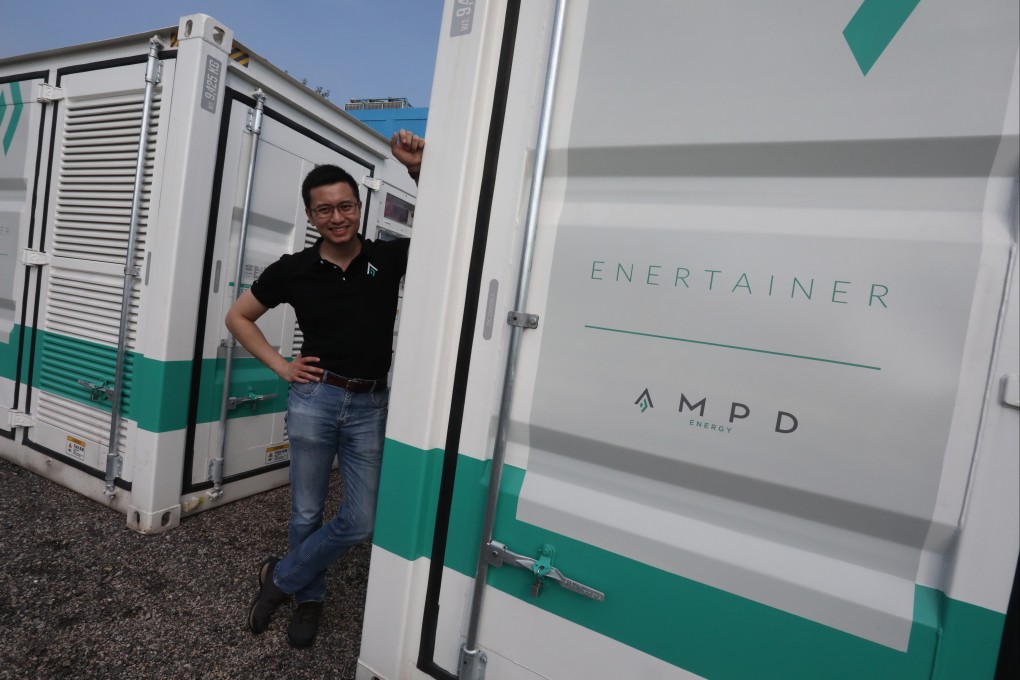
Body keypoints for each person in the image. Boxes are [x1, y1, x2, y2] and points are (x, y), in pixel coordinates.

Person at [226, 130, 424, 648]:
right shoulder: (294, 270)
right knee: (308, 511)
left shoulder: (387, 259)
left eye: (346, 207)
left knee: (360, 520)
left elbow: (449, 233)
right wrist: (282, 366)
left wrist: (417, 171)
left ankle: (282, 579)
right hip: (316, 400)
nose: (337, 218)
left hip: (370, 404)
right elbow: (239, 317)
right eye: (324, 210)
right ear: (310, 216)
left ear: (360, 208)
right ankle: (309, 598)